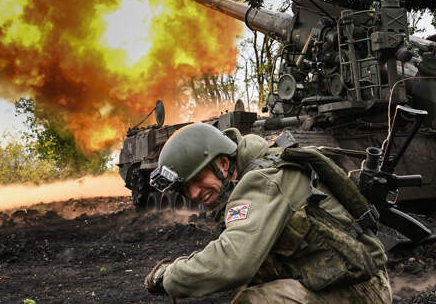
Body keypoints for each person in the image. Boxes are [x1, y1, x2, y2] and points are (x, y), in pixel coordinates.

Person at [144, 123, 392, 303]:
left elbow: (232, 262)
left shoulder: (262, 180)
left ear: (223, 164)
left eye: (198, 179)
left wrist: (170, 275)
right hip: (333, 278)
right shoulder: (254, 172)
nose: (195, 193)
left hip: (362, 289)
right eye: (186, 188)